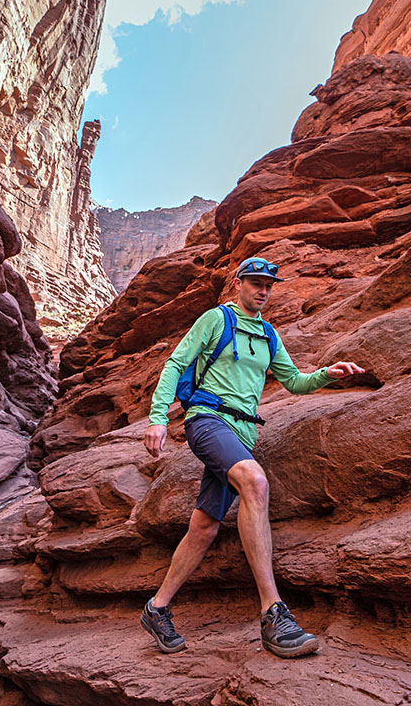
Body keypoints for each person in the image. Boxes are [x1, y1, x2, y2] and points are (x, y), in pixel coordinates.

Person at [139, 256, 365, 657]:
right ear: (239, 283)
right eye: (256, 282)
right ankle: (273, 612)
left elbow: (294, 382)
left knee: (205, 527)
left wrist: (328, 374)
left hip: (242, 433)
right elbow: (177, 363)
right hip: (208, 420)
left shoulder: (268, 334)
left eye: (269, 284)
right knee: (255, 481)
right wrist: (157, 416)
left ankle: (157, 608)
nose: (263, 290)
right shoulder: (216, 319)